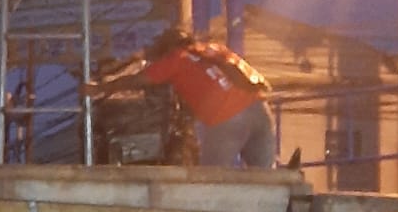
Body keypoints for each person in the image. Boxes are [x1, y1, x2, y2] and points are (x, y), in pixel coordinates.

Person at [90, 25, 277, 169]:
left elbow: (139, 80)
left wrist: (101, 87)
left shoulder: (177, 58)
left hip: (229, 117)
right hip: (260, 109)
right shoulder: (214, 49)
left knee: (213, 179)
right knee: (266, 176)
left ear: (169, 47)